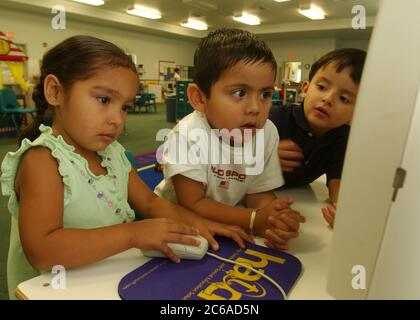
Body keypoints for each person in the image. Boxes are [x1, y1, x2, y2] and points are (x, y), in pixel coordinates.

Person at [0, 35, 251, 299]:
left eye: (125, 107)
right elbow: (42, 250)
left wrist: (200, 224)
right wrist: (133, 234)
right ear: (55, 92)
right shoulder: (42, 160)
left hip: (103, 276)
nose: (117, 119)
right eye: (104, 100)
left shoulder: (113, 153)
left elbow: (150, 204)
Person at [155, 28, 306, 252]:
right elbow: (193, 202)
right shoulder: (187, 134)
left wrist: (274, 219)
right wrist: (254, 220)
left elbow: (257, 192)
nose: (255, 108)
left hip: (232, 218)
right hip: (178, 219)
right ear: (199, 98)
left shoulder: (267, 132)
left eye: (265, 94)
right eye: (239, 93)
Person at [269, 48, 366, 228]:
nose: (328, 99)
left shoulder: (341, 138)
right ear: (305, 89)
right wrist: (263, 155)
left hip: (294, 200)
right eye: (321, 87)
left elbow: (336, 181)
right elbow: (228, 149)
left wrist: (344, 210)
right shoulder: (274, 119)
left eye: (344, 98)